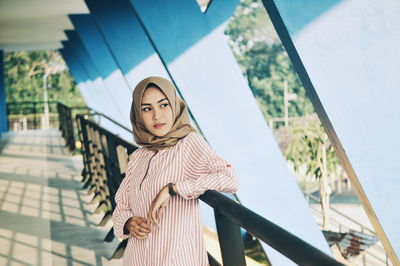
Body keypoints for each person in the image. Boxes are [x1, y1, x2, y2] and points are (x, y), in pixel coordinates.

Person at [112, 76, 239, 266]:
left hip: (176, 258)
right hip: (137, 258)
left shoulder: (189, 144)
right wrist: (128, 222)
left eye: (163, 105)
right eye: (147, 109)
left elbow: (229, 179)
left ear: (174, 105)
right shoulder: (139, 156)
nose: (157, 115)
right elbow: (121, 204)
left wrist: (173, 189)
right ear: (138, 115)